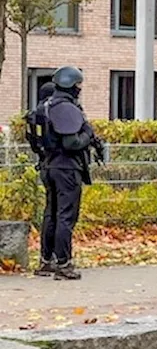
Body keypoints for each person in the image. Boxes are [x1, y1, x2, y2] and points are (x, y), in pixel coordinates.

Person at [40, 66, 103, 281]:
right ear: (70, 85)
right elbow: (71, 142)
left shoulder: (47, 105)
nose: (79, 89)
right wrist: (87, 134)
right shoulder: (66, 108)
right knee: (66, 216)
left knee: (51, 215)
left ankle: (46, 261)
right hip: (66, 168)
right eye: (78, 85)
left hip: (48, 166)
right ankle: (64, 264)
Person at [25, 82, 56, 275]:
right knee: (61, 213)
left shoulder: (33, 116)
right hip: (59, 163)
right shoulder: (52, 114)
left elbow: (34, 142)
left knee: (49, 210)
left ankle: (45, 257)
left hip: (44, 163)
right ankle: (57, 257)